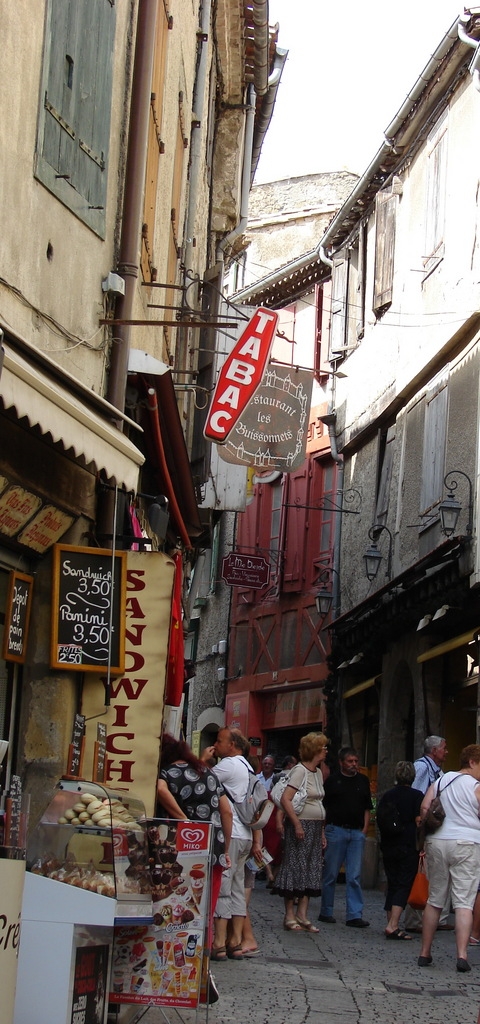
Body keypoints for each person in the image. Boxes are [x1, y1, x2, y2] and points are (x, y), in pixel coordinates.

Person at [156, 733, 232, 922]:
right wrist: (226, 849)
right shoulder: (209, 773)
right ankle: (206, 947)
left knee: (181, 905)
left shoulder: (168, 772)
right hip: (214, 846)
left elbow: (160, 789)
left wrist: (184, 820)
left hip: (183, 849)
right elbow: (227, 811)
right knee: (207, 906)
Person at [417, 743, 480, 972]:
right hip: (467, 843)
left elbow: (425, 807)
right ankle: (462, 956)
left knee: (435, 900)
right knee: (464, 902)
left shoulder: (442, 780)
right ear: (472, 762)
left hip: (438, 842)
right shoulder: (476, 786)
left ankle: (425, 953)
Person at [209, 727, 262, 961]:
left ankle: (219, 943)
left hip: (231, 834)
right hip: (246, 835)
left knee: (223, 886)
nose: (216, 745)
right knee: (238, 888)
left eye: (219, 741)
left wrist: (203, 761)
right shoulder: (248, 767)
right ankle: (236, 942)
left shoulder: (229, 765)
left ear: (232, 745)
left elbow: (202, 780)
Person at [273, 732, 328, 932]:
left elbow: (319, 801)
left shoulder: (319, 772)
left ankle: (303, 914)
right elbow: (286, 798)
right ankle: (289, 915)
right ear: (314, 750)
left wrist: (322, 832)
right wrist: (296, 824)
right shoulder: (299, 771)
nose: (326, 751)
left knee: (311, 868)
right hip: (301, 824)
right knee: (295, 866)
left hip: (315, 825)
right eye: (323, 747)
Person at [319, 746, 372, 928]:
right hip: (336, 830)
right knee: (330, 873)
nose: (354, 765)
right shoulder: (333, 782)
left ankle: (354, 914)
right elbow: (323, 807)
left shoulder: (363, 781)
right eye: (350, 761)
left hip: (356, 832)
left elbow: (367, 807)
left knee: (354, 875)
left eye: (356, 761)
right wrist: (324, 830)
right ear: (342, 763)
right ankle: (326, 910)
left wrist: (364, 829)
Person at [405, 734, 452, 933]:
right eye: (444, 748)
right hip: (424, 828)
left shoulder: (438, 770)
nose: (446, 751)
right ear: (434, 751)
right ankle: (415, 920)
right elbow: (416, 796)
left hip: (433, 828)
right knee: (422, 872)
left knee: (434, 873)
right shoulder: (423, 768)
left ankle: (435, 918)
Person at [377, 761, 423, 939]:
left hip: (389, 844)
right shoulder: (416, 796)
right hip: (407, 844)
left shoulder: (388, 795)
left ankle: (390, 922)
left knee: (393, 882)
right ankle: (393, 925)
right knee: (404, 883)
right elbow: (419, 821)